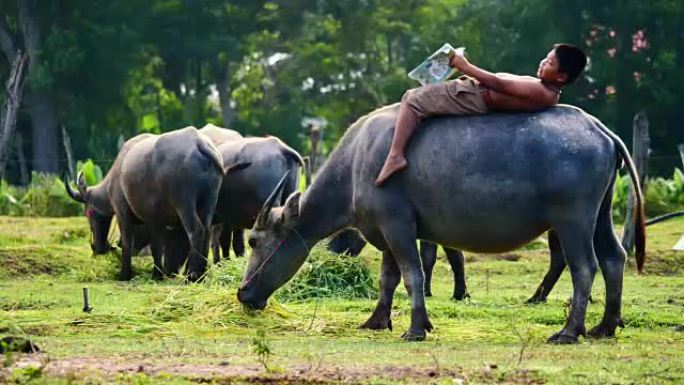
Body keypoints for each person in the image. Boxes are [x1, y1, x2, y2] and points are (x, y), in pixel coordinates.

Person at [375, 43, 587, 186]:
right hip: (475, 90)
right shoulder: (545, 87)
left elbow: (498, 83)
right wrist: (465, 68)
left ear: (561, 76)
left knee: (412, 99)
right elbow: (497, 80)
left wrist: (465, 66)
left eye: (549, 63)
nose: (542, 62)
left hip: (471, 96)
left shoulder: (544, 93)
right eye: (545, 58)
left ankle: (396, 155)